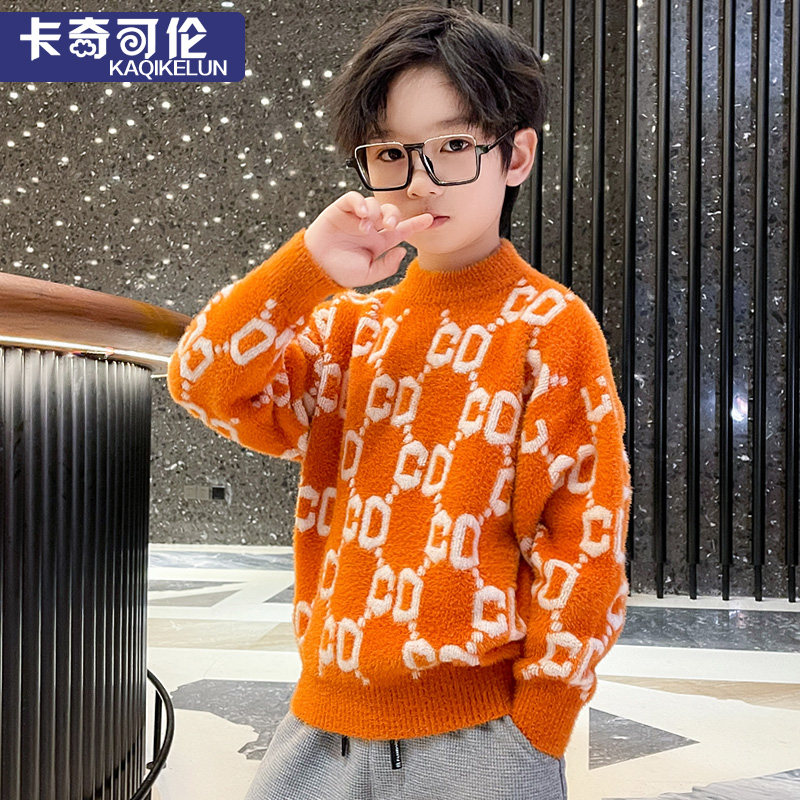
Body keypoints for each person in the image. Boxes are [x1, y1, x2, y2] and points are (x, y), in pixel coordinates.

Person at [166, 4, 633, 799]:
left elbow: (581, 538)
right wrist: (306, 267)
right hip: (322, 720)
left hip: (482, 734)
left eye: (453, 145)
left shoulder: (549, 327)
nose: (420, 181)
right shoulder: (349, 327)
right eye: (390, 153)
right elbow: (204, 381)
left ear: (516, 155)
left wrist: (541, 722)